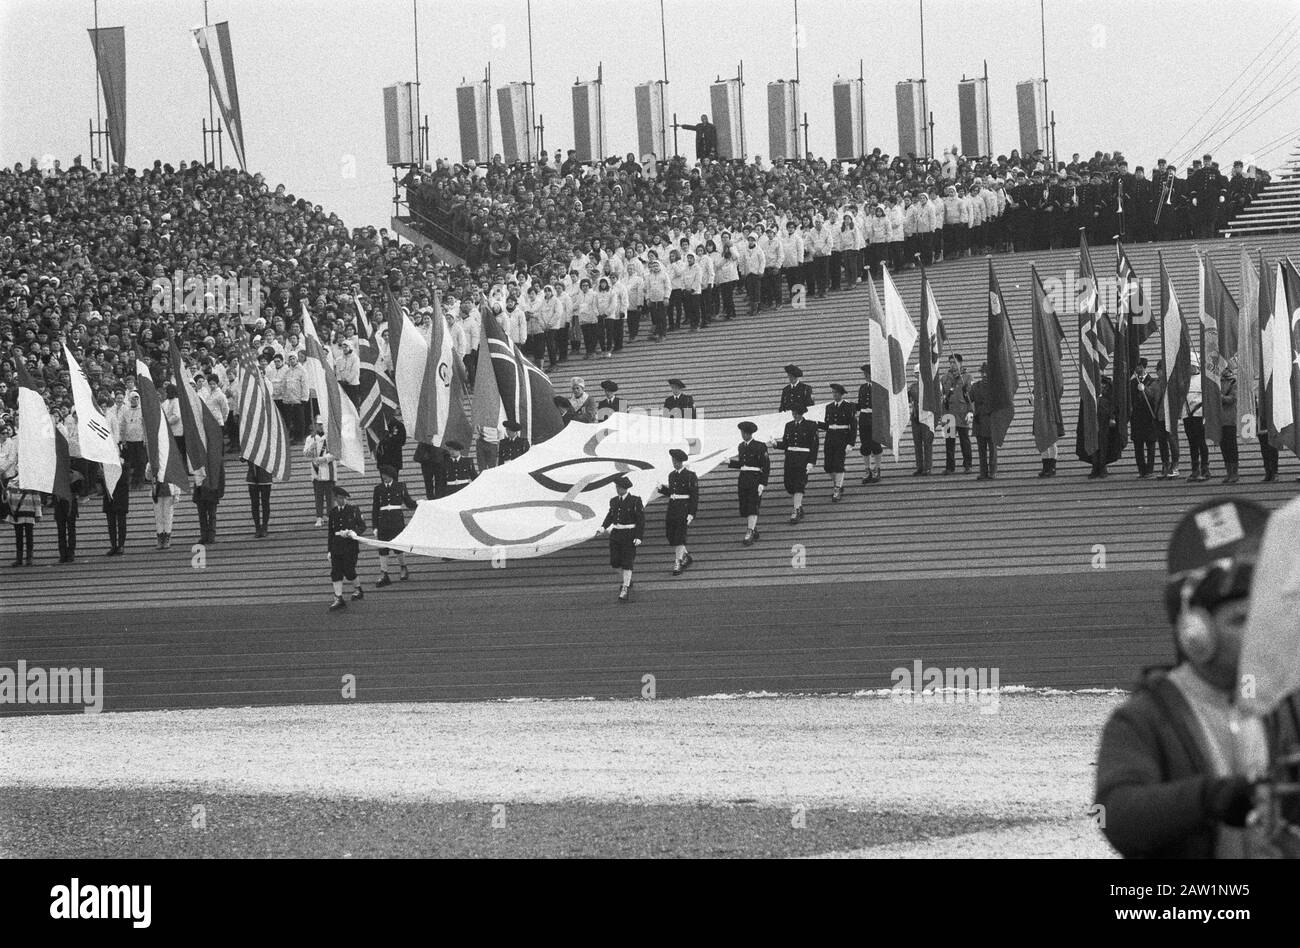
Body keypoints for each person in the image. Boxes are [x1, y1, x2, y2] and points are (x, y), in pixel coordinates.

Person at [1094, 497, 1298, 858]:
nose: (1259, 633)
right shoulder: (1144, 718)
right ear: (1195, 632)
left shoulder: (1284, 705)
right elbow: (1116, 816)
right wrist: (1213, 797)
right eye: (1240, 620)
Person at [769, 402, 819, 523]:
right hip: (790, 458)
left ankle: (795, 509)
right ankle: (799, 506)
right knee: (789, 485)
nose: (794, 416)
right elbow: (786, 444)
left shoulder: (811, 425)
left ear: (802, 414)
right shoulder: (789, 425)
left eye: (796, 414)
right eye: (793, 414)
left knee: (799, 484)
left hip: (803, 458)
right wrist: (776, 444)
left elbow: (814, 445)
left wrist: (811, 462)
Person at [599, 474, 644, 603]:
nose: (617, 489)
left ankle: (625, 587)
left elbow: (641, 520)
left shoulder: (635, 500)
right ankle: (627, 579)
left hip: (629, 533)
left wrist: (638, 536)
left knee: (627, 562)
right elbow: (610, 515)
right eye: (617, 487)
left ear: (625, 488)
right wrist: (603, 527)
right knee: (615, 562)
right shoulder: (614, 501)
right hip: (616, 533)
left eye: (619, 487)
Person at [372, 464, 418, 587]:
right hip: (383, 521)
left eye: (386, 476)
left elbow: (409, 503)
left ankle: (403, 567)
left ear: (391, 476)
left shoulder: (400, 486)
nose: (384, 478)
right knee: (382, 548)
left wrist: (420, 504)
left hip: (396, 520)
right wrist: (375, 526)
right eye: (383, 476)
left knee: (398, 546)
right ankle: (384, 572)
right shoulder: (378, 489)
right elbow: (375, 508)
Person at [657, 448, 698, 575]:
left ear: (681, 462)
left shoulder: (690, 475)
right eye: (673, 460)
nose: (674, 463)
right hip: (673, 507)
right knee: (671, 535)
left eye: (676, 461)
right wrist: (662, 489)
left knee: (679, 536)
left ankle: (678, 561)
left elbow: (694, 496)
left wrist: (691, 513)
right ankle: (686, 556)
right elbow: (672, 493)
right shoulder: (672, 475)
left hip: (684, 507)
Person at [728, 420, 769, 546]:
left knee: (752, 505)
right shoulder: (741, 446)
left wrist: (762, 483)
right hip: (744, 478)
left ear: (749, 433)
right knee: (744, 506)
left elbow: (766, 465)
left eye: (744, 432)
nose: (743, 435)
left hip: (755, 478)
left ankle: (750, 531)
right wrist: (729, 462)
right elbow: (742, 464)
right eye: (742, 432)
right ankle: (753, 528)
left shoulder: (760, 446)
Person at [326, 485, 367, 612]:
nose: (342, 500)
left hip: (350, 545)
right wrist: (329, 550)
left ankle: (358, 589)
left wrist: (354, 532)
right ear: (335, 499)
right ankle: (338, 597)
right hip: (337, 546)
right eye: (339, 498)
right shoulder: (333, 513)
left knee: (349, 570)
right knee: (336, 572)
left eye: (343, 498)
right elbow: (331, 532)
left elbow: (362, 526)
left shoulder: (353, 510)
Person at [819, 383, 856, 501]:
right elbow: (826, 425)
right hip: (830, 437)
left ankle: (837, 488)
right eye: (833, 393)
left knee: (838, 464)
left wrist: (851, 443)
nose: (834, 395)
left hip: (842, 437)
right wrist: (815, 423)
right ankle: (838, 484)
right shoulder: (829, 407)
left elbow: (853, 426)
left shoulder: (848, 406)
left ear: (841, 394)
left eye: (836, 393)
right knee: (828, 466)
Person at [940, 354, 973, 474]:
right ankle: (950, 467)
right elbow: (942, 396)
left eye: (954, 362)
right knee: (949, 442)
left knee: (965, 440)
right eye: (950, 362)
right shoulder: (944, 378)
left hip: (962, 412)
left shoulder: (967, 377)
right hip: (949, 414)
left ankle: (967, 465)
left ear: (960, 363)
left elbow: (971, 397)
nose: (951, 364)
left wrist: (970, 411)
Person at [304, 416, 336, 527]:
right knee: (318, 496)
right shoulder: (310, 438)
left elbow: (335, 453)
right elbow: (306, 454)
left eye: (322, 424)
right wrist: (311, 448)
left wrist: (324, 459)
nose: (321, 426)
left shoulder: (331, 437)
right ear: (315, 425)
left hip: (328, 470)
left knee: (330, 496)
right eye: (319, 424)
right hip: (316, 470)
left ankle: (330, 516)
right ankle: (319, 517)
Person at [969, 362, 998, 480]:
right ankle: (983, 472)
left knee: (992, 450)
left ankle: (992, 471)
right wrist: (965, 391)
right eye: (983, 372)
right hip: (979, 421)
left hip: (991, 420)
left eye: (987, 372)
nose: (985, 375)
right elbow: (969, 399)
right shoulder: (975, 386)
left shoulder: (995, 387)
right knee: (981, 450)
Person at [1183, 354, 1209, 482]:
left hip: (1199, 414)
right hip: (1187, 415)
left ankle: (1205, 469)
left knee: (1201, 443)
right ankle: (1195, 469)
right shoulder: (1184, 379)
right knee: (1192, 443)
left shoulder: (1202, 379)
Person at [856, 365, 884, 484]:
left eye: (867, 373)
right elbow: (860, 404)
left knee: (875, 444)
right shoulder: (862, 388)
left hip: (875, 417)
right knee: (865, 445)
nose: (866, 375)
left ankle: (877, 469)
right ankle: (867, 470)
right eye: (865, 374)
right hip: (863, 418)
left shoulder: (878, 387)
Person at [6, 478, 39, 566]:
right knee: (19, 537)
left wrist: (38, 513)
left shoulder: (32, 482)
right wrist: (5, 495)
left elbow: (36, 498)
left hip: (29, 512)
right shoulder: (11, 482)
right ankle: (19, 558)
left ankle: (29, 558)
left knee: (29, 536)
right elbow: (7, 499)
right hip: (17, 514)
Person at [907, 374, 934, 476]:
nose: (918, 375)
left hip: (926, 417)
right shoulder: (913, 387)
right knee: (917, 443)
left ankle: (927, 467)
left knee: (927, 442)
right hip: (916, 417)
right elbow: (908, 400)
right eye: (916, 373)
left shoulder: (929, 386)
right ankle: (919, 467)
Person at [53, 472, 81, 563]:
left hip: (70, 504)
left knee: (71, 530)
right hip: (59, 504)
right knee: (61, 530)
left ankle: (71, 553)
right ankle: (62, 554)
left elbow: (79, 490)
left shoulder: (76, 476)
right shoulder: (55, 475)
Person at [149, 465, 179, 551]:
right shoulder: (153, 461)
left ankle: (166, 538)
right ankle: (160, 538)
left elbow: (176, 478)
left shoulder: (171, 461)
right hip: (157, 492)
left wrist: (177, 494)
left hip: (169, 492)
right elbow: (148, 477)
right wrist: (149, 468)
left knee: (168, 516)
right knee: (159, 517)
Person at [192, 464, 224, 545]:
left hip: (212, 490)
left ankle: (211, 537)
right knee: (202, 515)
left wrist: (220, 491)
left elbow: (221, 474)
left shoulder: (215, 457)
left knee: (212, 515)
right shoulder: (197, 456)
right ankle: (204, 536)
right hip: (200, 491)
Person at [1219, 367, 1239, 485]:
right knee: (1223, 446)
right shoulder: (1217, 381)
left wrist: (1220, 397)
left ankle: (1234, 473)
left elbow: (1233, 398)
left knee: (1231, 446)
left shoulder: (1234, 382)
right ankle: (1228, 472)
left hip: (1230, 418)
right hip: (1219, 419)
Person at [102, 468, 130, 555]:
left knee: (121, 524)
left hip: (120, 497)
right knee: (111, 524)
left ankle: (121, 545)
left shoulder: (124, 465)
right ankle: (113, 545)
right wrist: (102, 477)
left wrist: (109, 476)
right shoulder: (105, 467)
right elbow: (102, 485)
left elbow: (124, 481)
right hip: (109, 498)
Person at [246, 459, 273, 538]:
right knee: (254, 503)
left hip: (265, 475)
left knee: (265, 503)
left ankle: (264, 527)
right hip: (252, 476)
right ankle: (257, 528)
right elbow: (242, 458)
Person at [374, 410, 406, 474]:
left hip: (394, 459)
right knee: (384, 482)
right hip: (383, 459)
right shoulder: (379, 425)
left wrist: (389, 438)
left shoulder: (399, 425)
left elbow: (402, 441)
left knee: (394, 481)